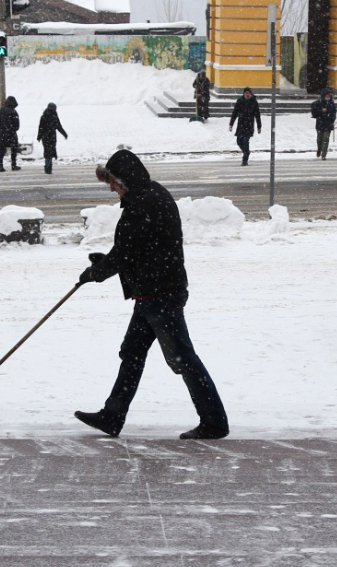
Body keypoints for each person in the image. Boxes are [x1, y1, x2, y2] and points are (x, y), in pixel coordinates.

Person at [74, 150, 229, 440]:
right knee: (132, 352)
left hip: (160, 295)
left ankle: (215, 421)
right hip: (152, 293)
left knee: (182, 357)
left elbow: (126, 252)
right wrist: (104, 263)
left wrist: (96, 273)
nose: (111, 188)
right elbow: (136, 250)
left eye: (112, 182)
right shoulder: (150, 195)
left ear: (124, 180)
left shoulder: (142, 204)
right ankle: (113, 415)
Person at [228, 87, 262, 166]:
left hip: (249, 125)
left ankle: (245, 160)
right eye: (246, 93)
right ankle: (246, 152)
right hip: (241, 124)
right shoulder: (240, 101)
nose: (247, 94)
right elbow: (235, 113)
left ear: (251, 93)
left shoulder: (254, 102)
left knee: (245, 141)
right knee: (239, 141)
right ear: (244, 94)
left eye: (249, 93)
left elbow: (257, 115)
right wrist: (231, 124)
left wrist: (259, 126)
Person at [36, 102, 69, 174]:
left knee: (47, 151)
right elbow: (59, 127)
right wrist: (64, 134)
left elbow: (40, 127)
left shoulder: (43, 116)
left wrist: (39, 136)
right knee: (51, 151)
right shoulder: (54, 117)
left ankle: (47, 166)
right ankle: (49, 167)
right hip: (52, 136)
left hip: (45, 136)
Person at [0, 95, 22, 172]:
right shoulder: (13, 112)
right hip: (11, 134)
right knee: (13, 149)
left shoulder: (0, 111)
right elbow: (17, 125)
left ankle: (0, 165)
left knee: (2, 150)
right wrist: (13, 129)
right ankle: (13, 165)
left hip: (2, 133)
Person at [310, 87, 337, 160]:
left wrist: (331, 119)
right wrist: (321, 111)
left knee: (326, 139)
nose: (328, 97)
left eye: (329, 95)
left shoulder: (331, 104)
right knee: (319, 139)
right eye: (327, 95)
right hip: (320, 123)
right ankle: (319, 149)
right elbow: (314, 113)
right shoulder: (318, 103)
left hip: (328, 124)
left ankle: (324, 154)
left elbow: (333, 114)